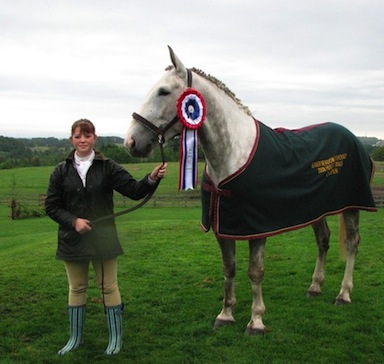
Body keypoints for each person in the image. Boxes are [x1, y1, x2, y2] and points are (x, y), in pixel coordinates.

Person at [45, 118, 167, 355]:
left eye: (87, 136)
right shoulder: (60, 170)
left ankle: (115, 340)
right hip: (72, 239)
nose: (83, 140)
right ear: (72, 139)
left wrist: (152, 178)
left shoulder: (108, 167)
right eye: (78, 136)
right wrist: (73, 221)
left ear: (94, 138)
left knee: (108, 287)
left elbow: (133, 190)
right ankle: (75, 339)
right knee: (77, 287)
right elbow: (51, 206)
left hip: (104, 239)